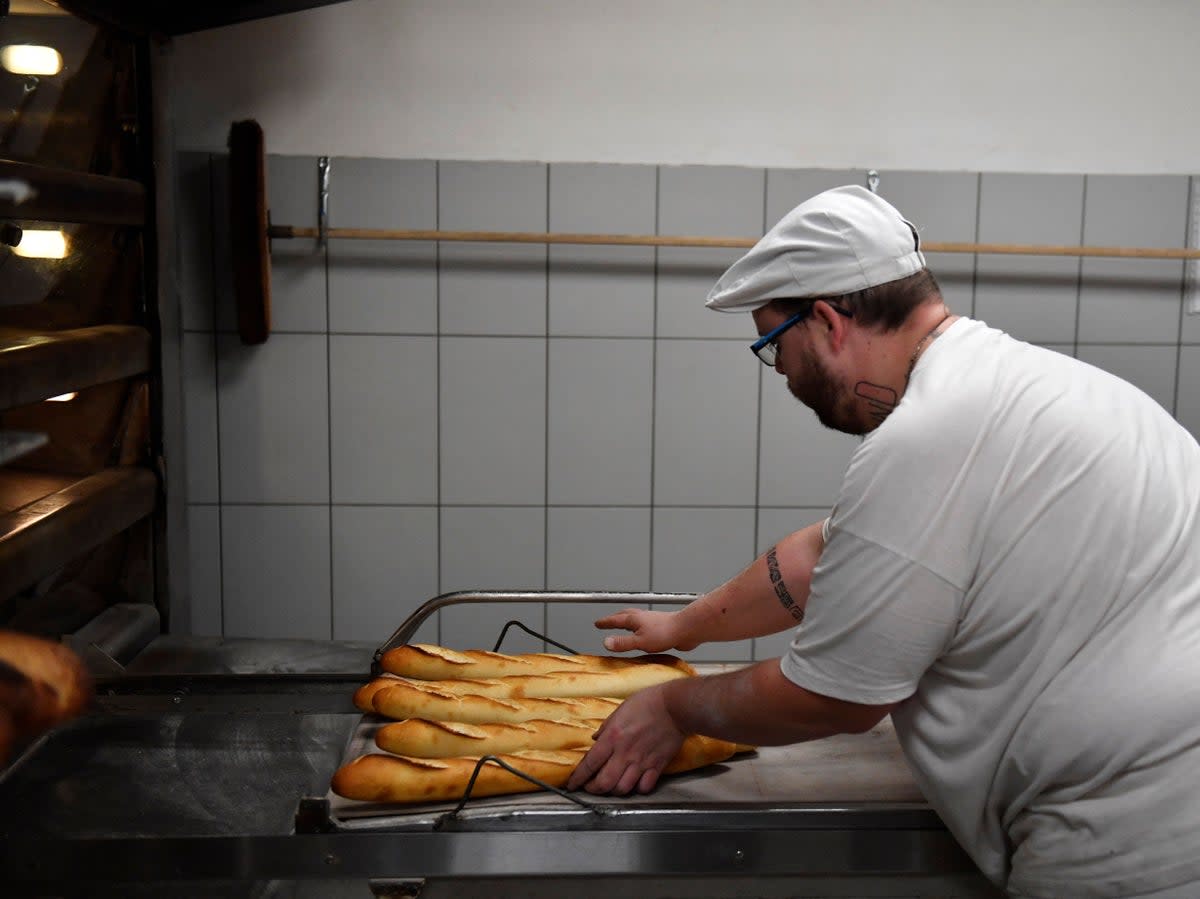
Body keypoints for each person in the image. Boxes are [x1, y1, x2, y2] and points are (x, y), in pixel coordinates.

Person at [565, 185, 1200, 898]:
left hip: (1133, 837)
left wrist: (675, 708)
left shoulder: (929, 434)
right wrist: (682, 627)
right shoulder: (1032, 388)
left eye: (776, 346)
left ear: (830, 320)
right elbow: (825, 555)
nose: (784, 376)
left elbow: (838, 698)